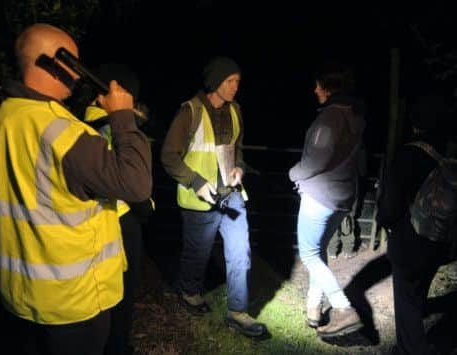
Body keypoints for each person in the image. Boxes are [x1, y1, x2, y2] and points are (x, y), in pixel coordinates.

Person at [0, 23, 152, 355]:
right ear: (56, 64)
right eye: (74, 63)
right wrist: (123, 118)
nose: (79, 73)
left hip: (22, 296)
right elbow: (137, 183)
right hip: (75, 303)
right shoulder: (63, 131)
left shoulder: (0, 121)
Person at [160, 56, 267, 338]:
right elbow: (168, 157)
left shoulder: (236, 111)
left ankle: (238, 312)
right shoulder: (189, 112)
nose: (235, 87)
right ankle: (190, 293)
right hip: (200, 200)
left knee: (239, 251)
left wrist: (239, 169)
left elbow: (238, 149)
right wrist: (195, 182)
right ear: (216, 81)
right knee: (198, 253)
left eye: (237, 82)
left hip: (231, 195)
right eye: (230, 81)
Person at [288, 62, 365, 338]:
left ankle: (343, 309)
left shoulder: (331, 117)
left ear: (328, 88)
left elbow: (317, 160)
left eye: (318, 85)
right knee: (318, 250)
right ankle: (313, 309)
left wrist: (293, 173)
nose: (315, 90)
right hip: (343, 196)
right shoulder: (355, 115)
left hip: (320, 195)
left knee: (308, 253)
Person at [84, 62, 155, 355]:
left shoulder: (78, 125)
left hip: (93, 223)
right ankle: (117, 347)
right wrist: (145, 207)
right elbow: (133, 182)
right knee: (122, 295)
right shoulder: (114, 127)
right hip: (123, 220)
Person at [377, 92, 453, 355]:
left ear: (414, 122)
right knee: (420, 286)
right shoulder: (447, 152)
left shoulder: (408, 154)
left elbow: (390, 206)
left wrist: (386, 222)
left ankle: (413, 349)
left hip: (410, 242)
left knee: (406, 299)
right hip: (441, 238)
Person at [327, 143, 368, 259]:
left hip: (331, 185)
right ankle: (347, 250)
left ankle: (332, 250)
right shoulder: (358, 143)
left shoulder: (331, 139)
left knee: (332, 216)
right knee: (347, 217)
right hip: (350, 184)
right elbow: (363, 170)